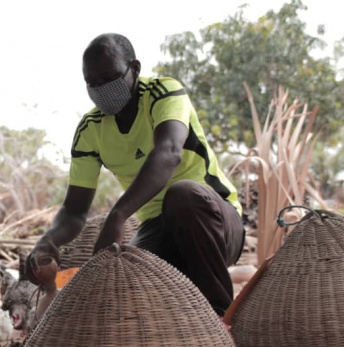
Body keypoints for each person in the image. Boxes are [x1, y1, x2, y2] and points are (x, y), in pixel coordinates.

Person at [25, 33, 245, 317]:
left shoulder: (163, 93)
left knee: (183, 195)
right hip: (157, 228)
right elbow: (74, 210)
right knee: (125, 276)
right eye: (92, 83)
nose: (102, 89)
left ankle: (219, 317)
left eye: (110, 79)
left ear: (135, 69)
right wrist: (48, 241)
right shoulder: (90, 130)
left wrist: (118, 215)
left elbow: (168, 152)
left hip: (215, 222)